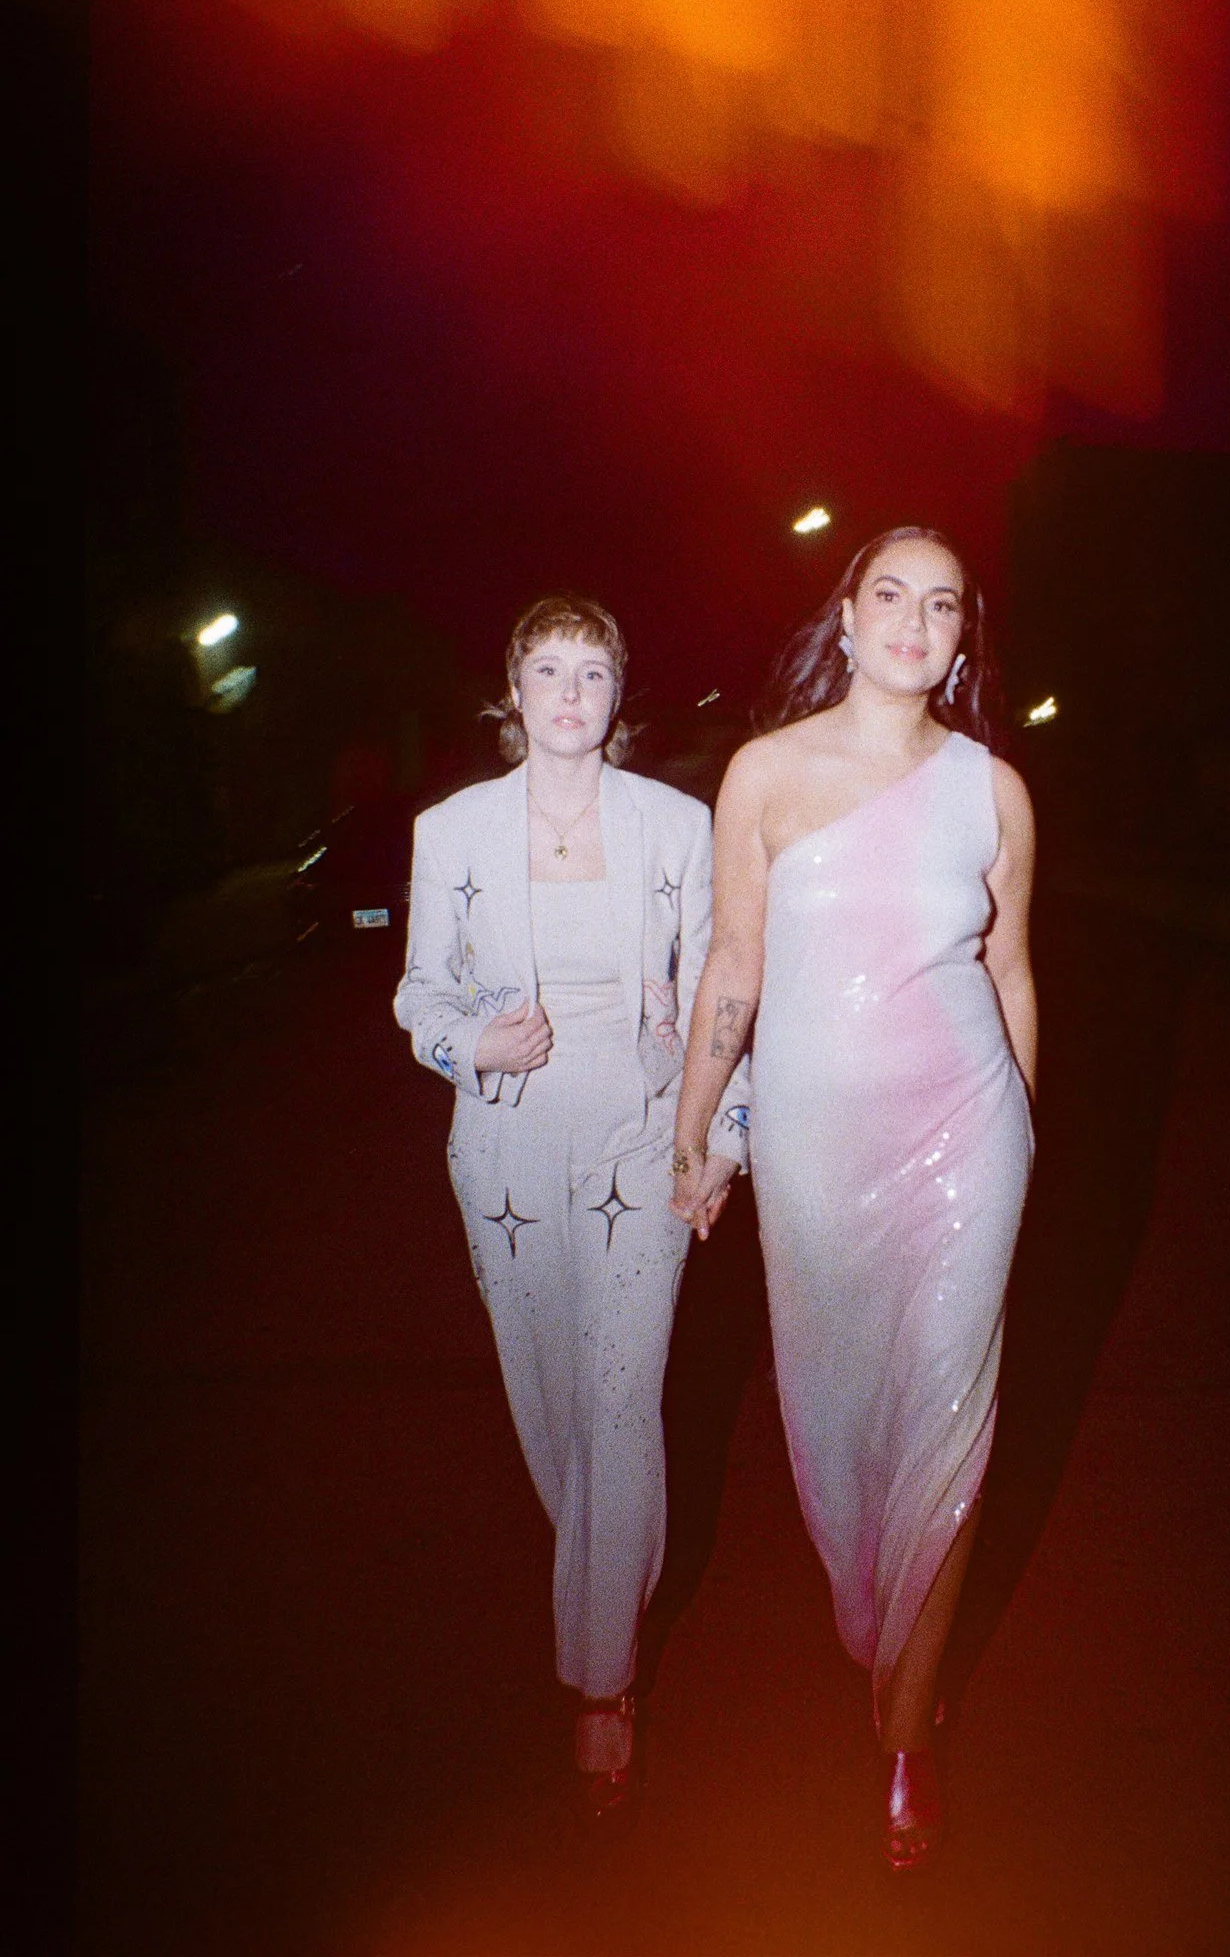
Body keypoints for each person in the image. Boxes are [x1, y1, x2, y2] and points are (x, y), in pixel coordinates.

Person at [671, 529, 1036, 1871]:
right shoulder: (765, 773)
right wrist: (694, 1128)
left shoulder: (992, 790)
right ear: (846, 614)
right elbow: (733, 962)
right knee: (833, 1421)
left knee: (950, 1408)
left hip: (966, 1140)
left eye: (942, 604)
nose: (913, 620)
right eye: (891, 592)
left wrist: (1027, 1144)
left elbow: (1010, 978)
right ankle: (885, 1642)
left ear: (959, 640)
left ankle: (902, 1731)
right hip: (819, 1145)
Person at [395, 595, 747, 1825]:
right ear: (511, 687)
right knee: (551, 1405)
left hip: (638, 1129)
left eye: (592, 672)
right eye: (546, 668)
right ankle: (601, 1566)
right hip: (503, 1140)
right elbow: (417, 990)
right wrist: (466, 1039)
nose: (568, 692)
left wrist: (722, 1139)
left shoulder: (678, 825)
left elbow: (718, 988)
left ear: (617, 694)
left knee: (619, 1396)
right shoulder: (452, 831)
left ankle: (601, 1679)